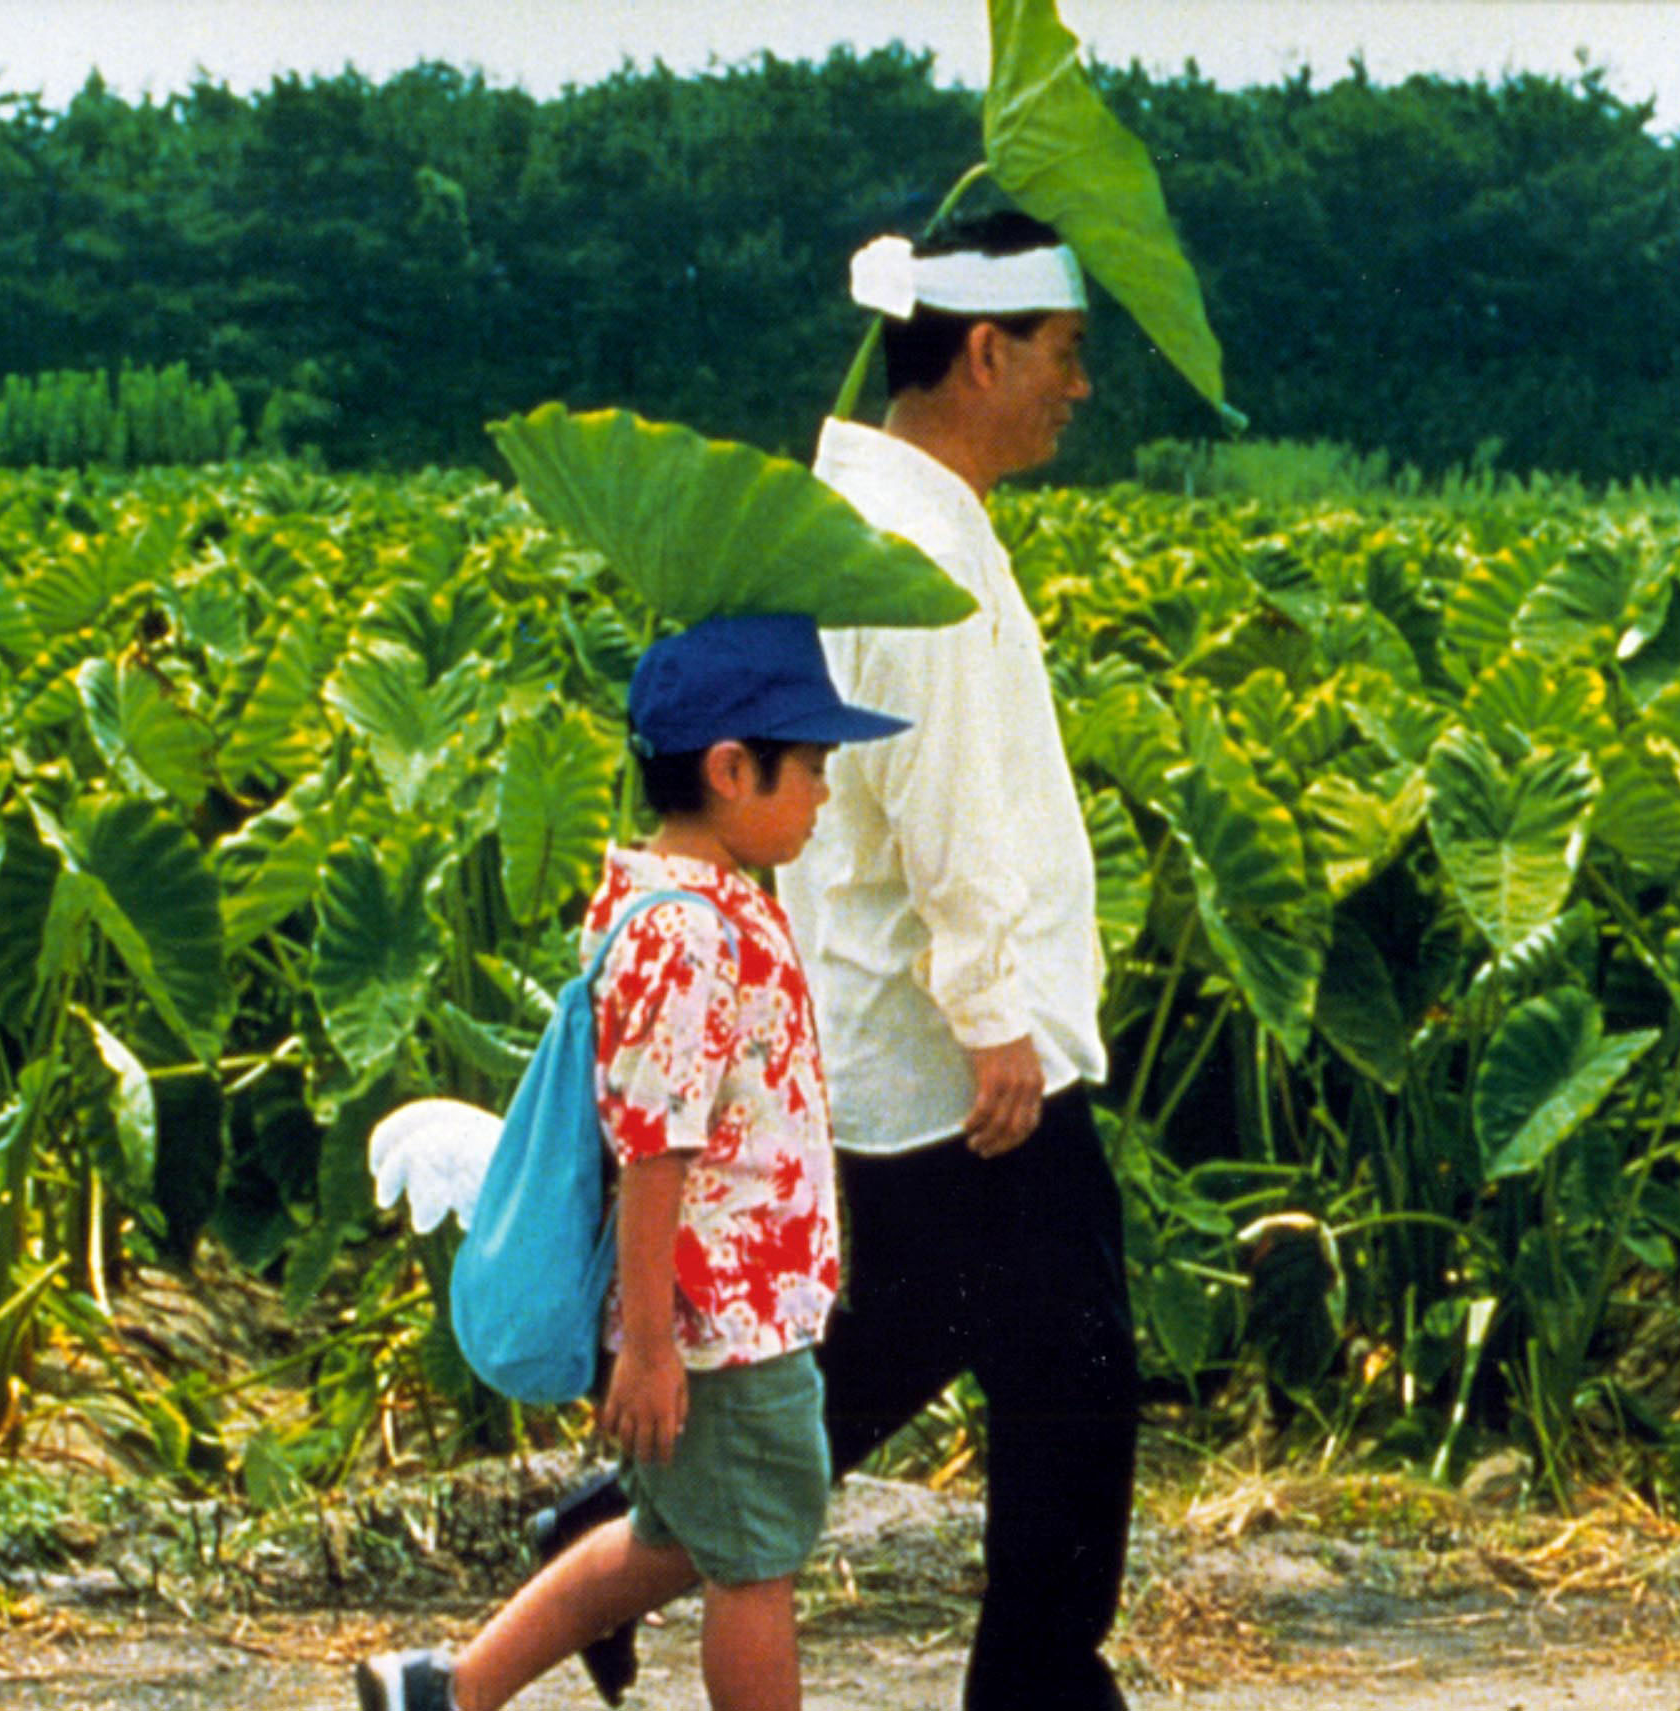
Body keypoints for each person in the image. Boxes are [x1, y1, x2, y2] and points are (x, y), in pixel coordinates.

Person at [534, 209, 1139, 1711]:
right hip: (960, 1067)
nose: (1080, 387)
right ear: (984, 348)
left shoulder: (887, 512)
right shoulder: (912, 546)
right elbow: (951, 811)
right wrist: (1001, 1016)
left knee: (870, 1366)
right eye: (1065, 356)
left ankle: (607, 1532)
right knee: (1075, 1392)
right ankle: (1042, 1691)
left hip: (891, 1051)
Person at [356, 613, 907, 1711]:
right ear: (730, 768)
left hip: (721, 1318)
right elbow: (656, 1151)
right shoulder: (686, 935)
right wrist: (649, 1348)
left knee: (670, 1538)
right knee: (752, 1566)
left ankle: (447, 1691)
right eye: (811, 766)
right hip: (718, 1327)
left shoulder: (689, 904)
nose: (824, 793)